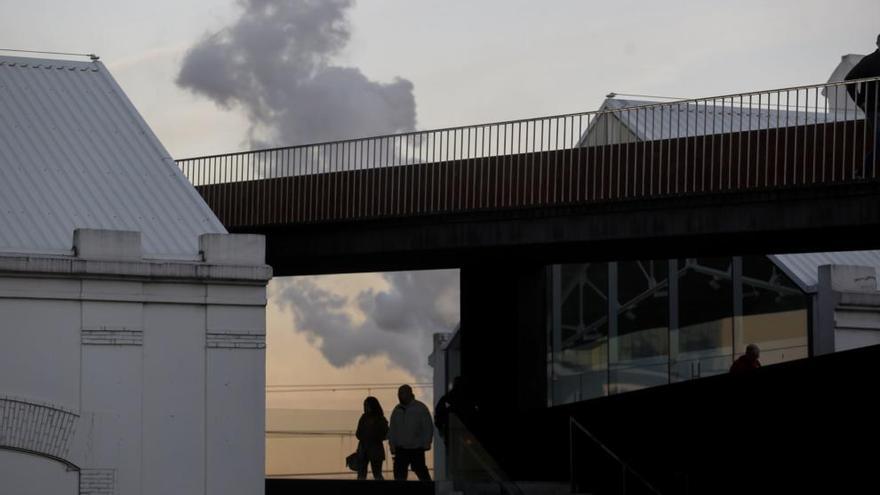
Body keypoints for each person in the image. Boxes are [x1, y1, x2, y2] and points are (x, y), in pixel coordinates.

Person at [845, 34, 880, 171]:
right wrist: (861, 101)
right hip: (875, 107)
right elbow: (849, 80)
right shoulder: (869, 61)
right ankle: (864, 171)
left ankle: (864, 171)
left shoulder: (870, 60)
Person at [388, 384, 433, 481]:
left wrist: (427, 442)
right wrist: (392, 444)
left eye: (402, 393)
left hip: (416, 448)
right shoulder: (397, 410)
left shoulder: (420, 408)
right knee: (400, 474)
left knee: (421, 472)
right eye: (399, 393)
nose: (399, 396)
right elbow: (392, 429)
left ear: (409, 394)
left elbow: (428, 427)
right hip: (401, 449)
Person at [434, 376, 479, 445]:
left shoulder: (447, 398)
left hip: (452, 434)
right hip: (465, 434)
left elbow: (438, 416)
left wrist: (441, 428)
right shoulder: (469, 398)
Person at [355, 396, 388, 480]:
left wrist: (366, 437)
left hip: (366, 449)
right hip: (373, 449)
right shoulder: (380, 418)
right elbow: (386, 434)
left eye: (367, 405)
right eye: (365, 405)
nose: (365, 407)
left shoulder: (364, 418)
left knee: (364, 474)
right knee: (375, 474)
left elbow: (358, 434)